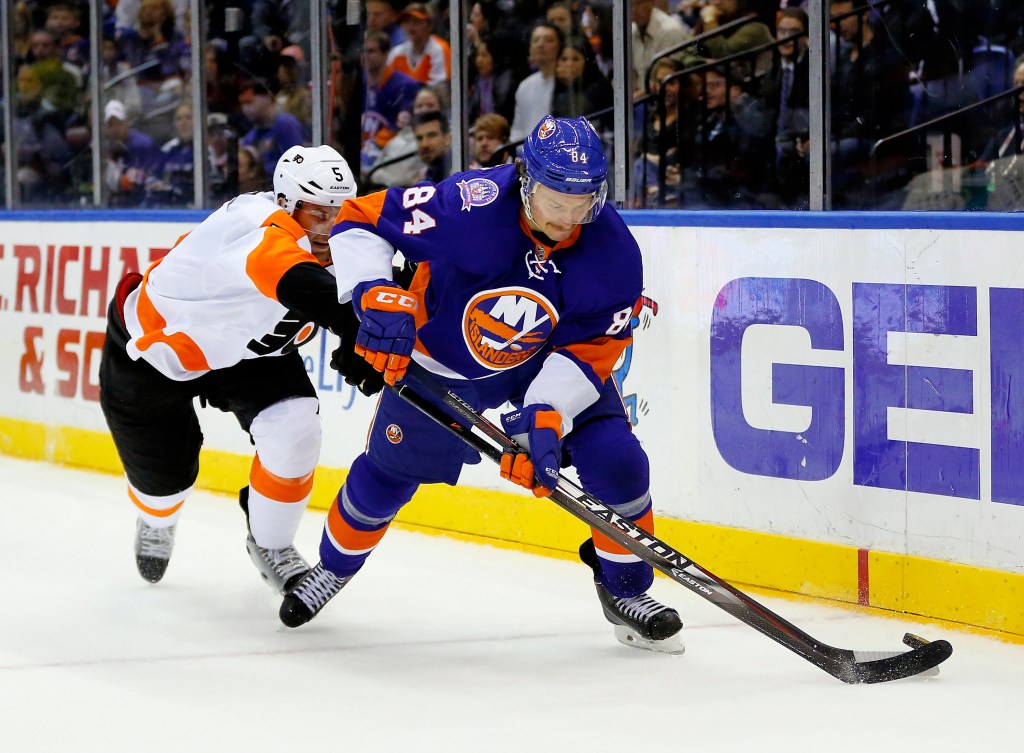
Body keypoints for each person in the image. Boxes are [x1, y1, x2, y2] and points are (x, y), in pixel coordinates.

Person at [279, 115, 685, 655]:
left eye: (582, 201)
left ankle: (625, 589)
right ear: (525, 181)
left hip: (547, 362)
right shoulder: (469, 204)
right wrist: (373, 292)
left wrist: (547, 413)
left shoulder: (614, 252)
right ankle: (332, 568)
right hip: (444, 360)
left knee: (617, 459)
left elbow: (593, 348)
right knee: (388, 476)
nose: (567, 218)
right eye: (554, 200)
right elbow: (360, 219)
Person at [98, 145, 383, 592]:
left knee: (296, 431)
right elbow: (296, 279)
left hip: (252, 355)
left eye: (339, 212)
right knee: (164, 483)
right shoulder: (253, 223)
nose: (330, 228)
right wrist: (357, 325)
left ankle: (271, 544)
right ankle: (158, 515)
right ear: (288, 203)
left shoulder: (347, 235)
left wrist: (382, 324)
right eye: (316, 214)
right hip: (158, 353)